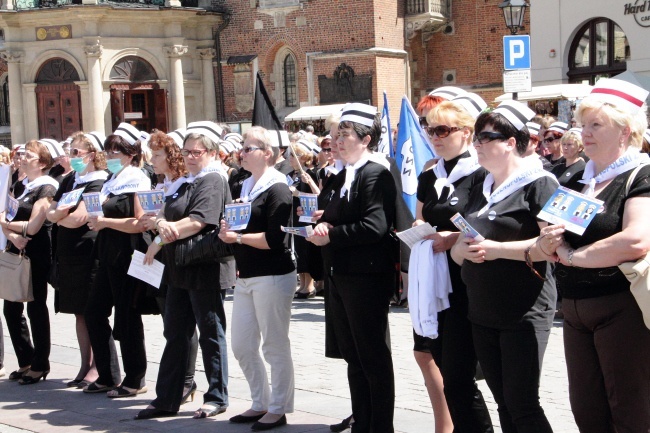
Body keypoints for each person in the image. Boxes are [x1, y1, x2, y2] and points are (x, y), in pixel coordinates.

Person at [450, 100, 559, 433]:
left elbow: (551, 246)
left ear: (512, 142)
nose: (477, 145)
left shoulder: (539, 183)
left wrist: (496, 249)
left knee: (523, 405)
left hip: (523, 309)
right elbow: (459, 248)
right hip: (482, 310)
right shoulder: (481, 185)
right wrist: (461, 252)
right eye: (477, 138)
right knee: (504, 403)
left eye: (486, 137)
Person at [552, 78, 650, 433]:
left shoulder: (641, 174)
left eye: (596, 125)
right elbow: (549, 234)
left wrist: (573, 256)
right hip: (575, 309)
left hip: (622, 307)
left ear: (625, 131)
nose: (584, 133)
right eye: (582, 124)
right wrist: (553, 243)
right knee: (586, 409)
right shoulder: (578, 177)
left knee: (630, 409)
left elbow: (636, 240)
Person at [307, 103, 397, 432]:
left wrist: (331, 233)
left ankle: (380, 426)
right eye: (336, 135)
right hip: (340, 275)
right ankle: (363, 420)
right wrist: (322, 218)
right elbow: (336, 212)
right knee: (353, 355)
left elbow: (375, 225)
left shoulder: (375, 173)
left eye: (345, 135)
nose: (337, 141)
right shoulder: (343, 174)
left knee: (371, 356)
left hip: (366, 276)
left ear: (366, 139)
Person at [136, 126, 229, 420]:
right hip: (179, 266)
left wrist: (166, 229)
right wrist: (161, 222)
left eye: (196, 152)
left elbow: (200, 220)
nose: (190, 157)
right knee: (175, 332)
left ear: (212, 153)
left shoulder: (212, 179)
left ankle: (217, 395)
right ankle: (168, 396)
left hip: (203, 266)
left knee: (210, 333)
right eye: (186, 151)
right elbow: (166, 210)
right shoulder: (186, 181)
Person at [414, 97, 493, 433]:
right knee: (447, 372)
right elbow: (420, 218)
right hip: (433, 280)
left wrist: (449, 236)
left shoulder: (479, 173)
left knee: (460, 377)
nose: (435, 136)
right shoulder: (430, 174)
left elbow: (483, 222)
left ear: (465, 132)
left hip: (464, 282)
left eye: (443, 129)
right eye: (431, 129)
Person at [219, 126, 296, 431]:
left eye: (249, 148)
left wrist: (238, 238)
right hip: (247, 275)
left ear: (268, 153)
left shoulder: (278, 188)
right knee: (242, 344)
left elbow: (275, 240)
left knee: (274, 345)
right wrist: (229, 231)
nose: (242, 153)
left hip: (273, 275)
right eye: (242, 147)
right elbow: (239, 228)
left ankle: (278, 408)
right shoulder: (246, 185)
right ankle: (259, 401)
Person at [83, 123, 154, 397]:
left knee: (127, 317)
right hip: (107, 253)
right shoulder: (111, 181)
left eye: (116, 151)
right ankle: (108, 373)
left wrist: (105, 222)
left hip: (127, 254)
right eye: (108, 151)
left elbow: (140, 223)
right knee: (94, 311)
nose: (110, 156)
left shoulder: (138, 179)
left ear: (130, 154)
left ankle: (135, 378)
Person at [135, 130, 200, 408]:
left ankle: (186, 379)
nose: (153, 159)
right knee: (170, 323)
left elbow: (180, 223)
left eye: (158, 155)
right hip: (161, 258)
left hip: (174, 255)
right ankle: (179, 381)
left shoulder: (186, 183)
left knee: (183, 325)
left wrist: (157, 241)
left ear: (172, 156)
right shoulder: (162, 184)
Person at [46, 132, 108, 388]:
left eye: (76, 153)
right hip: (68, 253)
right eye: (71, 151)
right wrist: (59, 214)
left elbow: (78, 218)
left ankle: (98, 366)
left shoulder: (98, 181)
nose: (72, 157)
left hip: (88, 252)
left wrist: (58, 215)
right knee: (78, 313)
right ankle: (85, 363)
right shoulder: (71, 178)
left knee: (92, 311)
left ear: (92, 155)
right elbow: (51, 209)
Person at [1, 139, 60, 384]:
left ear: (43, 163)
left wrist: (5, 225)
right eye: (22, 154)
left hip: (37, 252)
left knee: (36, 306)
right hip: (17, 247)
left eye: (29, 156)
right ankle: (25, 359)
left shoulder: (46, 187)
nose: (22, 158)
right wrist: (12, 234)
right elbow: (7, 213)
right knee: (11, 306)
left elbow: (34, 226)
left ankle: (40, 363)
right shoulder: (20, 183)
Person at [289, 139, 320, 299]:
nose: (290, 158)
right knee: (298, 249)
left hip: (308, 217)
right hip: (294, 215)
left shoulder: (311, 173)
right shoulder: (290, 175)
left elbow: (317, 196)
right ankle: (301, 283)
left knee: (307, 249)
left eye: (294, 155)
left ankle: (309, 285)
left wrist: (298, 193)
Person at [550, 128, 585, 192]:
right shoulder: (557, 168)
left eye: (569, 145)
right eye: (563, 144)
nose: (565, 148)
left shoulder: (583, 169)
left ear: (579, 148)